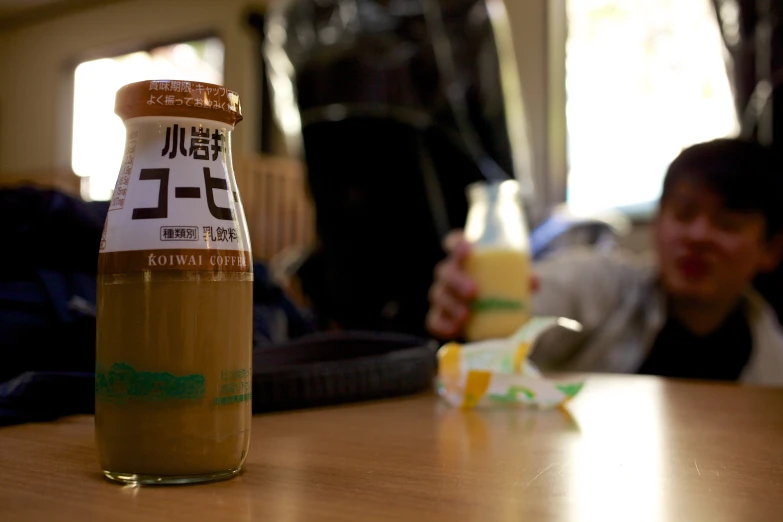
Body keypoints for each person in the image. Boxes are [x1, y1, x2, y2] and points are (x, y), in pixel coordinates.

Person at [426, 138, 783, 385]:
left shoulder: (772, 361)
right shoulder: (601, 284)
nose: (698, 236)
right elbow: (530, 306)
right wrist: (473, 302)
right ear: (658, 223)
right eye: (683, 213)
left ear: (770, 250)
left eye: (728, 223)